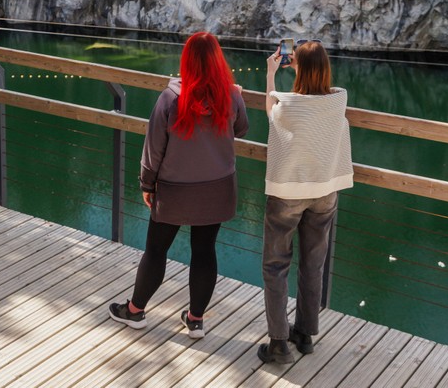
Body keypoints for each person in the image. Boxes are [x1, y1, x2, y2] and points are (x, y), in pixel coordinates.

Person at [109, 32, 249, 339]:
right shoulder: (231, 95)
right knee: (204, 251)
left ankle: (134, 311)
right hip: (217, 188)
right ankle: (195, 319)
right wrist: (235, 94)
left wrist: (147, 184)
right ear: (217, 60)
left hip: (174, 189)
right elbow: (241, 129)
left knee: (156, 250)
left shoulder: (171, 97)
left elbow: (153, 148)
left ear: (186, 60)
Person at [256, 39, 352, 364]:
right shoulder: (339, 100)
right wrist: (304, 64)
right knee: (313, 264)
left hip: (288, 192)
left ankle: (279, 342)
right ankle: (305, 334)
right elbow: (320, 91)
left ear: (296, 65)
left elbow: (271, 108)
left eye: (294, 60)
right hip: (324, 191)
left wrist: (271, 73)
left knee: (275, 265)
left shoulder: (289, 103)